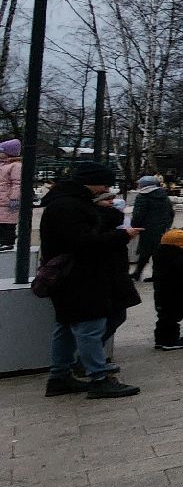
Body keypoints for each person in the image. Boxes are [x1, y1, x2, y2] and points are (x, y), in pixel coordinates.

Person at [40, 162, 142, 398]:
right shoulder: (70, 206)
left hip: (68, 275)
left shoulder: (65, 202)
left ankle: (60, 376)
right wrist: (121, 235)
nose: (105, 188)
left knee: (66, 326)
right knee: (89, 328)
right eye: (103, 183)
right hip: (80, 276)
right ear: (91, 181)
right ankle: (98, 377)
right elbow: (83, 243)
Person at [150, 229, 183, 351]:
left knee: (163, 317)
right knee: (172, 319)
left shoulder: (158, 256)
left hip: (160, 294)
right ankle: (170, 341)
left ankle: (160, 340)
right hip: (177, 295)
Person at [129, 175, 174, 281]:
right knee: (156, 252)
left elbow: (138, 214)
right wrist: (167, 225)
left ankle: (138, 273)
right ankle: (154, 274)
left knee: (145, 251)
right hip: (162, 228)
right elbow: (171, 212)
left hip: (147, 228)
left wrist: (135, 226)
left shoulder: (143, 196)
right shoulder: (164, 196)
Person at [0, 138, 21, 251]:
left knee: (8, 222)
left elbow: (17, 184)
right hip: (2, 199)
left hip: (8, 200)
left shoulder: (15, 166)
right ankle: (3, 240)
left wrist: (14, 199)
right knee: (2, 220)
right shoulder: (2, 165)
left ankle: (8, 241)